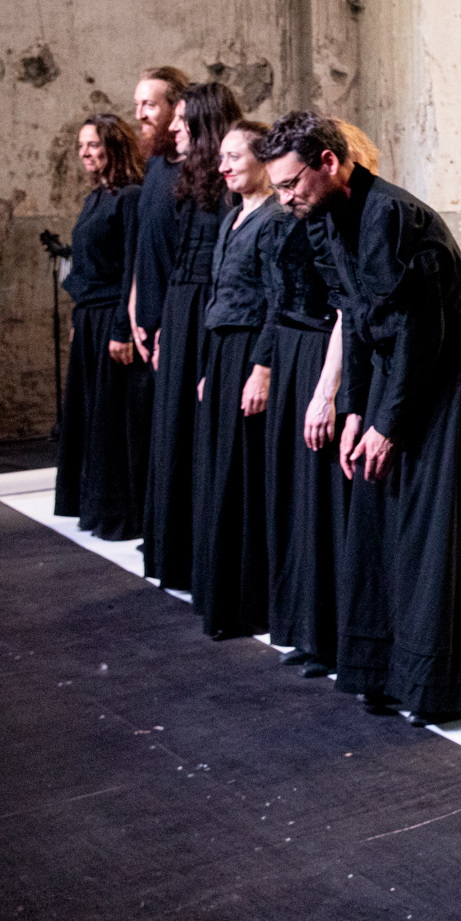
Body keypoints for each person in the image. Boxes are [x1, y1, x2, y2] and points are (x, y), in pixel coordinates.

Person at [257, 111, 461, 724]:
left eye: (290, 184)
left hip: (449, 375)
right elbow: (356, 321)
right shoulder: (327, 218)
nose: (284, 200)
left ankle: (459, 680)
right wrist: (356, 410)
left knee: (439, 525)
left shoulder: (389, 214)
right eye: (278, 188)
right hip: (404, 372)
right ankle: (394, 672)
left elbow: (420, 330)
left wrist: (388, 423)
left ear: (330, 164)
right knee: (383, 517)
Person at [252, 121, 377, 677]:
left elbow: (346, 310)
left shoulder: (349, 217)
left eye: (290, 181)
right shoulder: (300, 216)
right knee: (298, 503)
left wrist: (327, 393)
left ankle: (331, 632)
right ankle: (304, 628)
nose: (285, 194)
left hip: (325, 356)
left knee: (326, 504)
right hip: (294, 354)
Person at [142, 82, 243, 589]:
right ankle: (175, 553)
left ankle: (202, 557)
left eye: (183, 120)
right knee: (174, 433)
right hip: (181, 312)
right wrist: (161, 323)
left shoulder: (230, 186)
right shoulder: (185, 179)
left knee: (200, 435)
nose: (174, 128)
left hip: (208, 311)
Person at [190, 120, 283, 639]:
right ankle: (222, 592)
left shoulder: (270, 219)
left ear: (262, 160)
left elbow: (274, 300)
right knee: (219, 472)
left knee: (244, 474)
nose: (223, 166)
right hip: (223, 354)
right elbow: (218, 294)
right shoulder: (232, 219)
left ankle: (250, 602)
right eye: (221, 157)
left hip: (251, 352)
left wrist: (262, 368)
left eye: (234, 157)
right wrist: (209, 369)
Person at [54, 113, 148, 540]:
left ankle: (120, 514)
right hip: (89, 319)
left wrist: (121, 328)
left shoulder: (130, 197)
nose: (85, 153)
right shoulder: (95, 197)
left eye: (93, 145)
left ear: (114, 146)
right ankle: (92, 507)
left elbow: (133, 268)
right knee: (91, 418)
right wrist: (80, 319)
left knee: (113, 421)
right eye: (81, 147)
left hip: (113, 316)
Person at [126, 67, 188, 369]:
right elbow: (144, 240)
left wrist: (172, 322)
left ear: (177, 109)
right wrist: (134, 299)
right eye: (137, 104)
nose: (139, 115)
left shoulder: (194, 172)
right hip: (145, 321)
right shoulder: (154, 165)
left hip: (175, 320)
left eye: (149, 105)